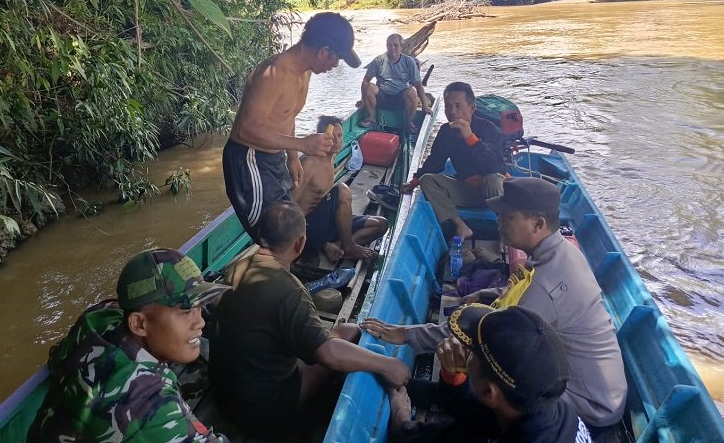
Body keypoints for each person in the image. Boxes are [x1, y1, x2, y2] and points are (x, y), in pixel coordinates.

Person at [362, 177, 627, 428]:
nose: (498, 221)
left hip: (588, 405)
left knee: (491, 372)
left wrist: (406, 334)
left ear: (537, 224)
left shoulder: (546, 287)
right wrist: (491, 294)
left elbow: (491, 333)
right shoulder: (564, 252)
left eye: (508, 216)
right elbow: (529, 288)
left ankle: (424, 420)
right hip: (601, 391)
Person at [209, 202, 410, 440]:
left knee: (344, 331)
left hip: (224, 400)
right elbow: (329, 354)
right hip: (264, 412)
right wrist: (387, 364)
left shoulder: (236, 267)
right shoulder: (289, 290)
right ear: (300, 243)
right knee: (351, 334)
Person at [29, 248, 230, 442]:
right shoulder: (148, 401)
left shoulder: (99, 316)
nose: (200, 321)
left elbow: (55, 360)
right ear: (139, 324)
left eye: (199, 306)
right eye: (186, 310)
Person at [223, 12, 361, 242]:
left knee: (292, 226)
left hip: (275, 156)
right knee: (274, 235)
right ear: (323, 51)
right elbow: (244, 131)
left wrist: (293, 156)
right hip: (249, 159)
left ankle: (286, 272)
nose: (336, 65)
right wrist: (301, 145)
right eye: (337, 58)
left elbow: (287, 116)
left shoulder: (304, 73)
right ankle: (268, 274)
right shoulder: (275, 73)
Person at [388, 304, 593, 443]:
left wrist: (399, 422)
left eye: (472, 353)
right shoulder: (550, 407)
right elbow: (480, 419)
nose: (464, 350)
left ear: (489, 391)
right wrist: (454, 378)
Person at [401, 81, 506, 240]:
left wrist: (470, 138)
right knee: (427, 180)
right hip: (466, 190)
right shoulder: (446, 132)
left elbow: (496, 166)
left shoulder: (488, 129)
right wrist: (414, 182)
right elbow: (435, 162)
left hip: (493, 191)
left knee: (494, 178)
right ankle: (461, 226)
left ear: (472, 108)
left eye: (458, 106)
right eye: (448, 106)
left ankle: (505, 231)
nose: (452, 112)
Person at [293, 115, 389, 262]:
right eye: (332, 136)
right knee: (342, 190)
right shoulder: (309, 162)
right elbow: (291, 204)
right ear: (321, 137)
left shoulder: (330, 160)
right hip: (309, 229)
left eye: (340, 135)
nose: (337, 140)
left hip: (328, 223)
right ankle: (348, 246)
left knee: (381, 224)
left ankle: (334, 245)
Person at [360, 33, 431, 133]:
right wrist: (363, 99)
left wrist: (425, 105)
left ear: (401, 47)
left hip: (400, 97)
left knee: (412, 91)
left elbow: (418, 84)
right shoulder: (378, 60)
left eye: (396, 45)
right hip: (382, 96)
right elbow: (366, 81)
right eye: (389, 45)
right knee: (369, 87)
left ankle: (409, 122)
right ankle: (371, 118)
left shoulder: (409, 62)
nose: (392, 48)